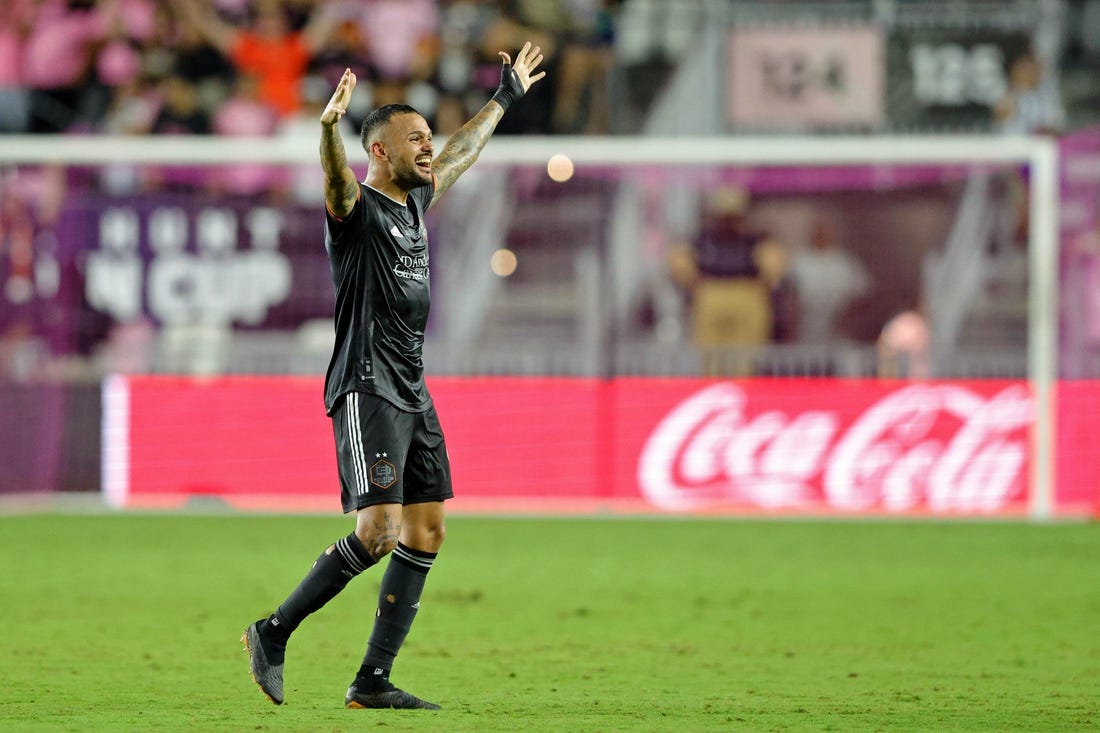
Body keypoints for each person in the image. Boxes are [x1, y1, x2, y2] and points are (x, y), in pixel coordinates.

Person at [241, 42, 546, 711]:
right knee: (378, 530)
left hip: (412, 386)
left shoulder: (413, 205)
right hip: (366, 383)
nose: (429, 146)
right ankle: (272, 630)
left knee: (427, 528)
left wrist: (504, 100)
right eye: (415, 139)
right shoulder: (356, 213)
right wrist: (327, 132)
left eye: (428, 137)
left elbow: (462, 152)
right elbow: (334, 183)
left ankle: (371, 679)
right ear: (379, 151)